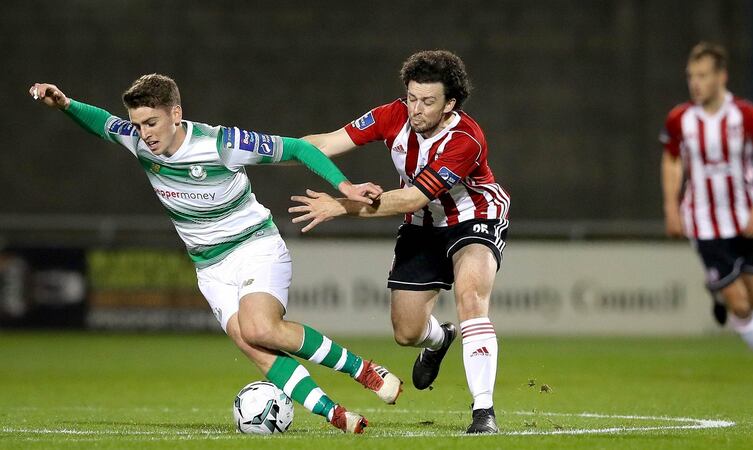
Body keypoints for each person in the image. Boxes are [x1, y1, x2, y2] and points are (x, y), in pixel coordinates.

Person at [29, 74, 402, 433]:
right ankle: (333, 412)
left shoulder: (221, 143)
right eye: (138, 124)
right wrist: (65, 104)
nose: (144, 133)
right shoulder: (138, 140)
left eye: (152, 122)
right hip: (209, 266)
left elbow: (299, 148)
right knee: (248, 339)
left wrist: (346, 187)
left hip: (254, 245)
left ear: (176, 114)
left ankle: (364, 370)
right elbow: (103, 124)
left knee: (260, 327)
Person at [290, 50, 511, 433]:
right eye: (411, 98)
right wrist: (267, 150)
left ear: (449, 104)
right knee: (407, 332)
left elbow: (411, 197)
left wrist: (340, 206)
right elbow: (324, 143)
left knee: (471, 297)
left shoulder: (465, 139)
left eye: (428, 101)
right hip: (422, 226)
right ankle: (439, 340)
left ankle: (483, 411)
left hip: (474, 217)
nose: (416, 109)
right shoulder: (392, 115)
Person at [660, 42, 753, 382]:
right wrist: (671, 206)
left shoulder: (746, 116)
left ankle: (715, 288)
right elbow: (672, 160)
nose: (695, 83)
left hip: (745, 220)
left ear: (722, 76)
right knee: (741, 304)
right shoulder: (680, 119)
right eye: (691, 76)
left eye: (702, 75)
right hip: (704, 224)